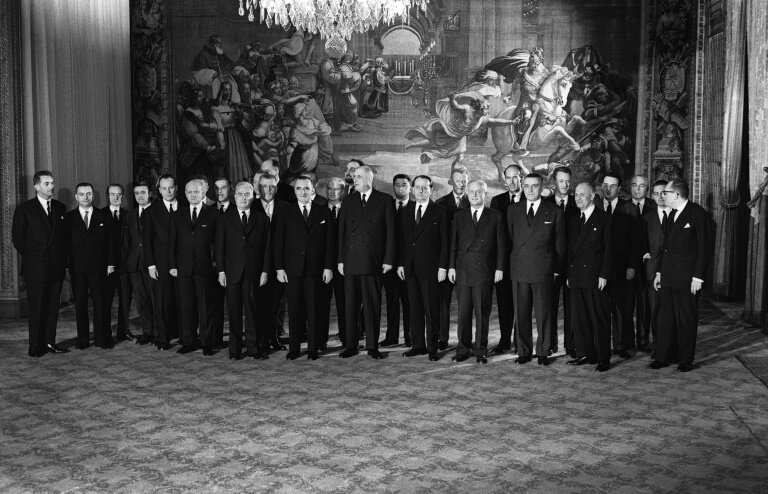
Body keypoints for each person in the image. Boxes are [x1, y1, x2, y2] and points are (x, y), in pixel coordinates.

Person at [650, 179, 712, 372]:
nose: (662, 196)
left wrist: (698, 277)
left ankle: (685, 360)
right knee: (665, 318)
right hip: (668, 276)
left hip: (688, 279)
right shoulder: (671, 215)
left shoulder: (698, 214)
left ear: (676, 195)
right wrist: (659, 272)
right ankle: (663, 356)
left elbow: (705, 249)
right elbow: (665, 249)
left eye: (666, 193)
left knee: (686, 320)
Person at [337, 165, 396, 359]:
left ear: (370, 180)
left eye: (359, 177)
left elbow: (391, 234)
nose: (355, 180)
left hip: (374, 261)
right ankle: (351, 345)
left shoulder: (385, 200)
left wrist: (388, 259)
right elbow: (342, 234)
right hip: (352, 261)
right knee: (350, 306)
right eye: (354, 177)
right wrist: (340, 260)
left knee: (372, 306)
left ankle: (372, 346)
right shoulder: (348, 201)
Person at [273, 177, 335, 360]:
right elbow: (278, 243)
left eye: (306, 188)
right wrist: (279, 268)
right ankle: (294, 348)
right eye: (299, 188)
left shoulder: (323, 212)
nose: (303, 192)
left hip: (316, 270)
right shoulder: (285, 213)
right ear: (295, 191)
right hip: (293, 270)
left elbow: (330, 243)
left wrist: (328, 267)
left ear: (313, 190)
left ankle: (313, 348)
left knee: (314, 310)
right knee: (294, 310)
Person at [508, 173, 565, 366]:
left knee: (544, 313)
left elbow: (559, 244)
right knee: (521, 313)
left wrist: (556, 269)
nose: (530, 190)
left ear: (542, 187)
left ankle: (543, 351)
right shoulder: (513, 210)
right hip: (520, 269)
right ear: (522, 187)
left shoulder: (554, 211)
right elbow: (510, 240)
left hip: (544, 270)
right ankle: (523, 351)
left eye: (534, 186)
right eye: (527, 186)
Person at [11, 170, 70, 357]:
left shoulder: (60, 208)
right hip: (36, 267)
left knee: (53, 308)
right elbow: (18, 239)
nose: (51, 186)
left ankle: (50, 342)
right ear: (36, 186)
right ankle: (35, 345)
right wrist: (36, 256)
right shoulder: (24, 209)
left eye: (52, 183)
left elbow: (64, 238)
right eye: (47, 183)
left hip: (55, 267)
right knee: (37, 308)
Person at [448, 180, 506, 364]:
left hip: (484, 271)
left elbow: (501, 246)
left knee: (482, 313)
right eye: (471, 192)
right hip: (463, 271)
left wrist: (499, 268)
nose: (474, 195)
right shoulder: (459, 216)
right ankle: (463, 349)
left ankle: (481, 349)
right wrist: (451, 267)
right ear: (467, 193)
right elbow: (453, 245)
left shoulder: (495, 216)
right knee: (463, 313)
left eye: (478, 192)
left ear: (485, 194)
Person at [215, 181, 270, 360]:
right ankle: (235, 349)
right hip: (232, 272)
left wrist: (265, 271)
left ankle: (254, 348)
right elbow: (220, 247)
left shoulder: (261, 219)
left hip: (254, 272)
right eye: (240, 194)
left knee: (252, 311)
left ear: (253, 197)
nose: (243, 198)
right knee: (234, 311)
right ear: (234, 196)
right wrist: (221, 271)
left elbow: (267, 248)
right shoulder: (224, 219)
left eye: (247, 194)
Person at [396, 175, 448, 360]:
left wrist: (443, 267)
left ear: (431, 189)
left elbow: (445, 243)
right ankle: (418, 345)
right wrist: (401, 263)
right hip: (409, 269)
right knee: (414, 308)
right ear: (412, 189)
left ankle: (432, 348)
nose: (420, 191)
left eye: (424, 188)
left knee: (432, 309)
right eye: (417, 187)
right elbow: (401, 241)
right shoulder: (405, 211)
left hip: (431, 269)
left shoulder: (440, 212)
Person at [566, 182, 613, 372]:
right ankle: (586, 353)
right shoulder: (573, 221)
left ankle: (603, 357)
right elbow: (570, 251)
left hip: (596, 277)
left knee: (599, 318)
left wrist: (604, 274)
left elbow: (609, 250)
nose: (578, 198)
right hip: (577, 277)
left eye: (582, 195)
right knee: (580, 318)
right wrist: (569, 274)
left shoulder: (603, 219)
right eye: (576, 195)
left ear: (592, 196)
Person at [169, 179, 218, 356]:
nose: (193, 195)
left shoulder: (213, 214)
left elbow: (218, 243)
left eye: (196, 191)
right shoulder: (177, 215)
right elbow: (172, 243)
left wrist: (217, 265)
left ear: (204, 192)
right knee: (186, 307)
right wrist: (172, 265)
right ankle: (189, 341)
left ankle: (207, 343)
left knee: (206, 307)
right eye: (189, 192)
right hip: (183, 269)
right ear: (185, 193)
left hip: (205, 268)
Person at [595, 173, 641, 358]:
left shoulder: (630, 209)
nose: (608, 188)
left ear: (619, 189)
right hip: (598, 269)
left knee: (621, 309)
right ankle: (601, 344)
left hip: (622, 267)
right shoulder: (595, 206)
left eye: (612, 186)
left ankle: (621, 346)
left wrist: (632, 266)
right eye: (605, 184)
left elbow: (635, 241)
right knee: (600, 308)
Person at [66, 182, 116, 350]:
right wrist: (67, 266)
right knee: (80, 305)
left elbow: (111, 242)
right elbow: (66, 245)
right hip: (78, 268)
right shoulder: (70, 218)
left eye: (88, 194)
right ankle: (83, 340)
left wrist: (110, 263)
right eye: (81, 194)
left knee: (100, 304)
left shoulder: (104, 215)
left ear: (93, 196)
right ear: (76, 197)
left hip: (99, 267)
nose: (85, 197)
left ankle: (103, 339)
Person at [253, 173, 290, 352]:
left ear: (277, 187)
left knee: (276, 304)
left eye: (271, 186)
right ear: (258, 188)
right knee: (260, 304)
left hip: (279, 265)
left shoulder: (285, 207)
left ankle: (274, 337)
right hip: (257, 266)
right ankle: (261, 339)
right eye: (264, 186)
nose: (268, 190)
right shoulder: (251, 206)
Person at [488, 164, 523, 355]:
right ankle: (504, 340)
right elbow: (494, 234)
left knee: (522, 303)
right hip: (503, 263)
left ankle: (520, 341)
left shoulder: (531, 198)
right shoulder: (497, 201)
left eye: (515, 177)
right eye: (508, 178)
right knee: (504, 304)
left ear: (521, 177)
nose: (511, 181)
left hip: (524, 262)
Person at [143, 174, 180, 350]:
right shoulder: (151, 211)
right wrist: (151, 265)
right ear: (159, 190)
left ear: (176, 188)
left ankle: (183, 334)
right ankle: (163, 338)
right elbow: (147, 240)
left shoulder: (187, 206)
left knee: (183, 301)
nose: (168, 191)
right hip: (160, 264)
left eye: (171, 187)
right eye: (164, 188)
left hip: (184, 263)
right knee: (162, 302)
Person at [434, 167, 470, 349]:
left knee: (465, 304)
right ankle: (442, 339)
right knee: (443, 303)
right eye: (458, 181)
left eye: (464, 181)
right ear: (451, 181)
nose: (461, 184)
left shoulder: (473, 202)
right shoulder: (440, 204)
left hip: (465, 263)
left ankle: (465, 340)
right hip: (445, 261)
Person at [548, 166, 580, 357]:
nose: (565, 185)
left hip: (572, 264)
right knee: (549, 306)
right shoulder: (545, 204)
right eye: (561, 181)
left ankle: (571, 345)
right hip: (551, 264)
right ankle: (551, 344)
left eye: (568, 181)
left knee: (572, 307)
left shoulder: (578, 204)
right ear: (554, 181)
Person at [381, 174, 412, 347]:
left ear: (410, 187)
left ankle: (409, 337)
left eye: (404, 185)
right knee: (391, 302)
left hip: (407, 265)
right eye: (398, 185)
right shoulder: (386, 206)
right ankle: (391, 336)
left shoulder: (415, 207)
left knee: (409, 302)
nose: (401, 188)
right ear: (393, 187)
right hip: (389, 264)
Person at [122, 182, 154, 345]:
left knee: (156, 299)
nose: (140, 196)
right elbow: (127, 242)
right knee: (141, 301)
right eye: (136, 193)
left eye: (143, 192)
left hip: (153, 264)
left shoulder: (157, 212)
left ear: (150, 194)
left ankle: (160, 332)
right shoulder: (130, 215)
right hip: (135, 264)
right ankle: (147, 332)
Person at [317, 177, 347, 348]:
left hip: (344, 266)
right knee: (321, 304)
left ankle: (346, 338)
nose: (332, 192)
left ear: (342, 191)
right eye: (329, 188)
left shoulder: (349, 210)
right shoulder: (318, 210)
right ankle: (321, 341)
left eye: (336, 189)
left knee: (345, 304)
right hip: (323, 266)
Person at [629, 175, 657, 353]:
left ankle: (644, 341)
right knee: (627, 306)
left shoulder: (654, 207)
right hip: (630, 265)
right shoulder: (623, 207)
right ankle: (627, 341)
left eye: (641, 186)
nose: (637, 189)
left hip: (649, 266)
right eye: (634, 185)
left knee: (646, 306)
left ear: (647, 189)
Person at [640, 180, 669, 353]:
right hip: (652, 272)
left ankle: (672, 347)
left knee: (671, 312)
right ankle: (659, 348)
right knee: (656, 311)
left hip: (673, 272)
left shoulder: (676, 214)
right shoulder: (646, 218)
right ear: (652, 196)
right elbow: (640, 244)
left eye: (663, 193)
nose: (660, 197)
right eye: (656, 193)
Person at [104, 183, 133, 342]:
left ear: (122, 196)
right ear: (107, 196)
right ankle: (106, 333)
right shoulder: (100, 214)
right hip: (107, 266)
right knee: (106, 301)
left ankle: (124, 331)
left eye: (119, 194)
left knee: (125, 301)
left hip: (125, 265)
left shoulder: (129, 215)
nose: (116, 197)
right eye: (112, 194)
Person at [210, 178, 232, 348]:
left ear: (230, 189)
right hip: (214, 266)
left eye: (223, 188)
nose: (220, 192)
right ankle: (216, 338)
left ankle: (236, 339)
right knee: (215, 305)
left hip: (235, 265)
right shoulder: (208, 211)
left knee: (235, 305)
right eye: (217, 188)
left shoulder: (238, 208)